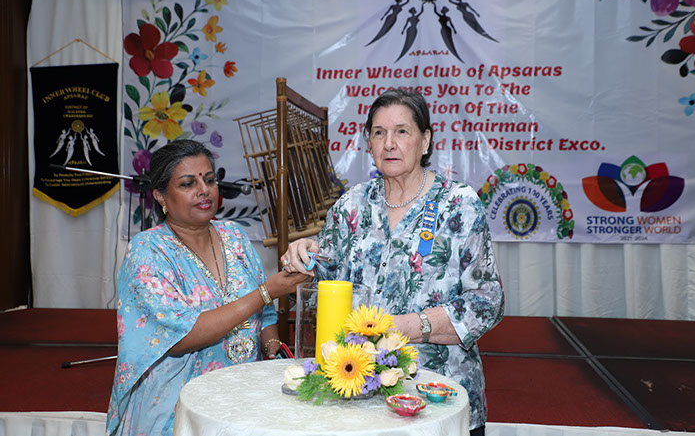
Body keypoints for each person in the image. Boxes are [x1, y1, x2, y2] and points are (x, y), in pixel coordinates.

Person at [282, 88, 504, 435]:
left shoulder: (458, 204)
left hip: (437, 397)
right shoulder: (352, 204)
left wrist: (401, 328)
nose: (389, 143)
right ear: (368, 143)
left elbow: (487, 302)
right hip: (358, 398)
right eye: (378, 133)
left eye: (402, 131)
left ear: (425, 140)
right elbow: (322, 279)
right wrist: (303, 255)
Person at [106, 140, 310, 436]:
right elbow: (181, 336)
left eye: (210, 180)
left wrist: (271, 345)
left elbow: (264, 313)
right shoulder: (148, 251)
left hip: (242, 397)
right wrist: (266, 291)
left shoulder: (234, 236)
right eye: (188, 183)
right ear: (160, 196)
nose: (204, 190)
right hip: (177, 406)